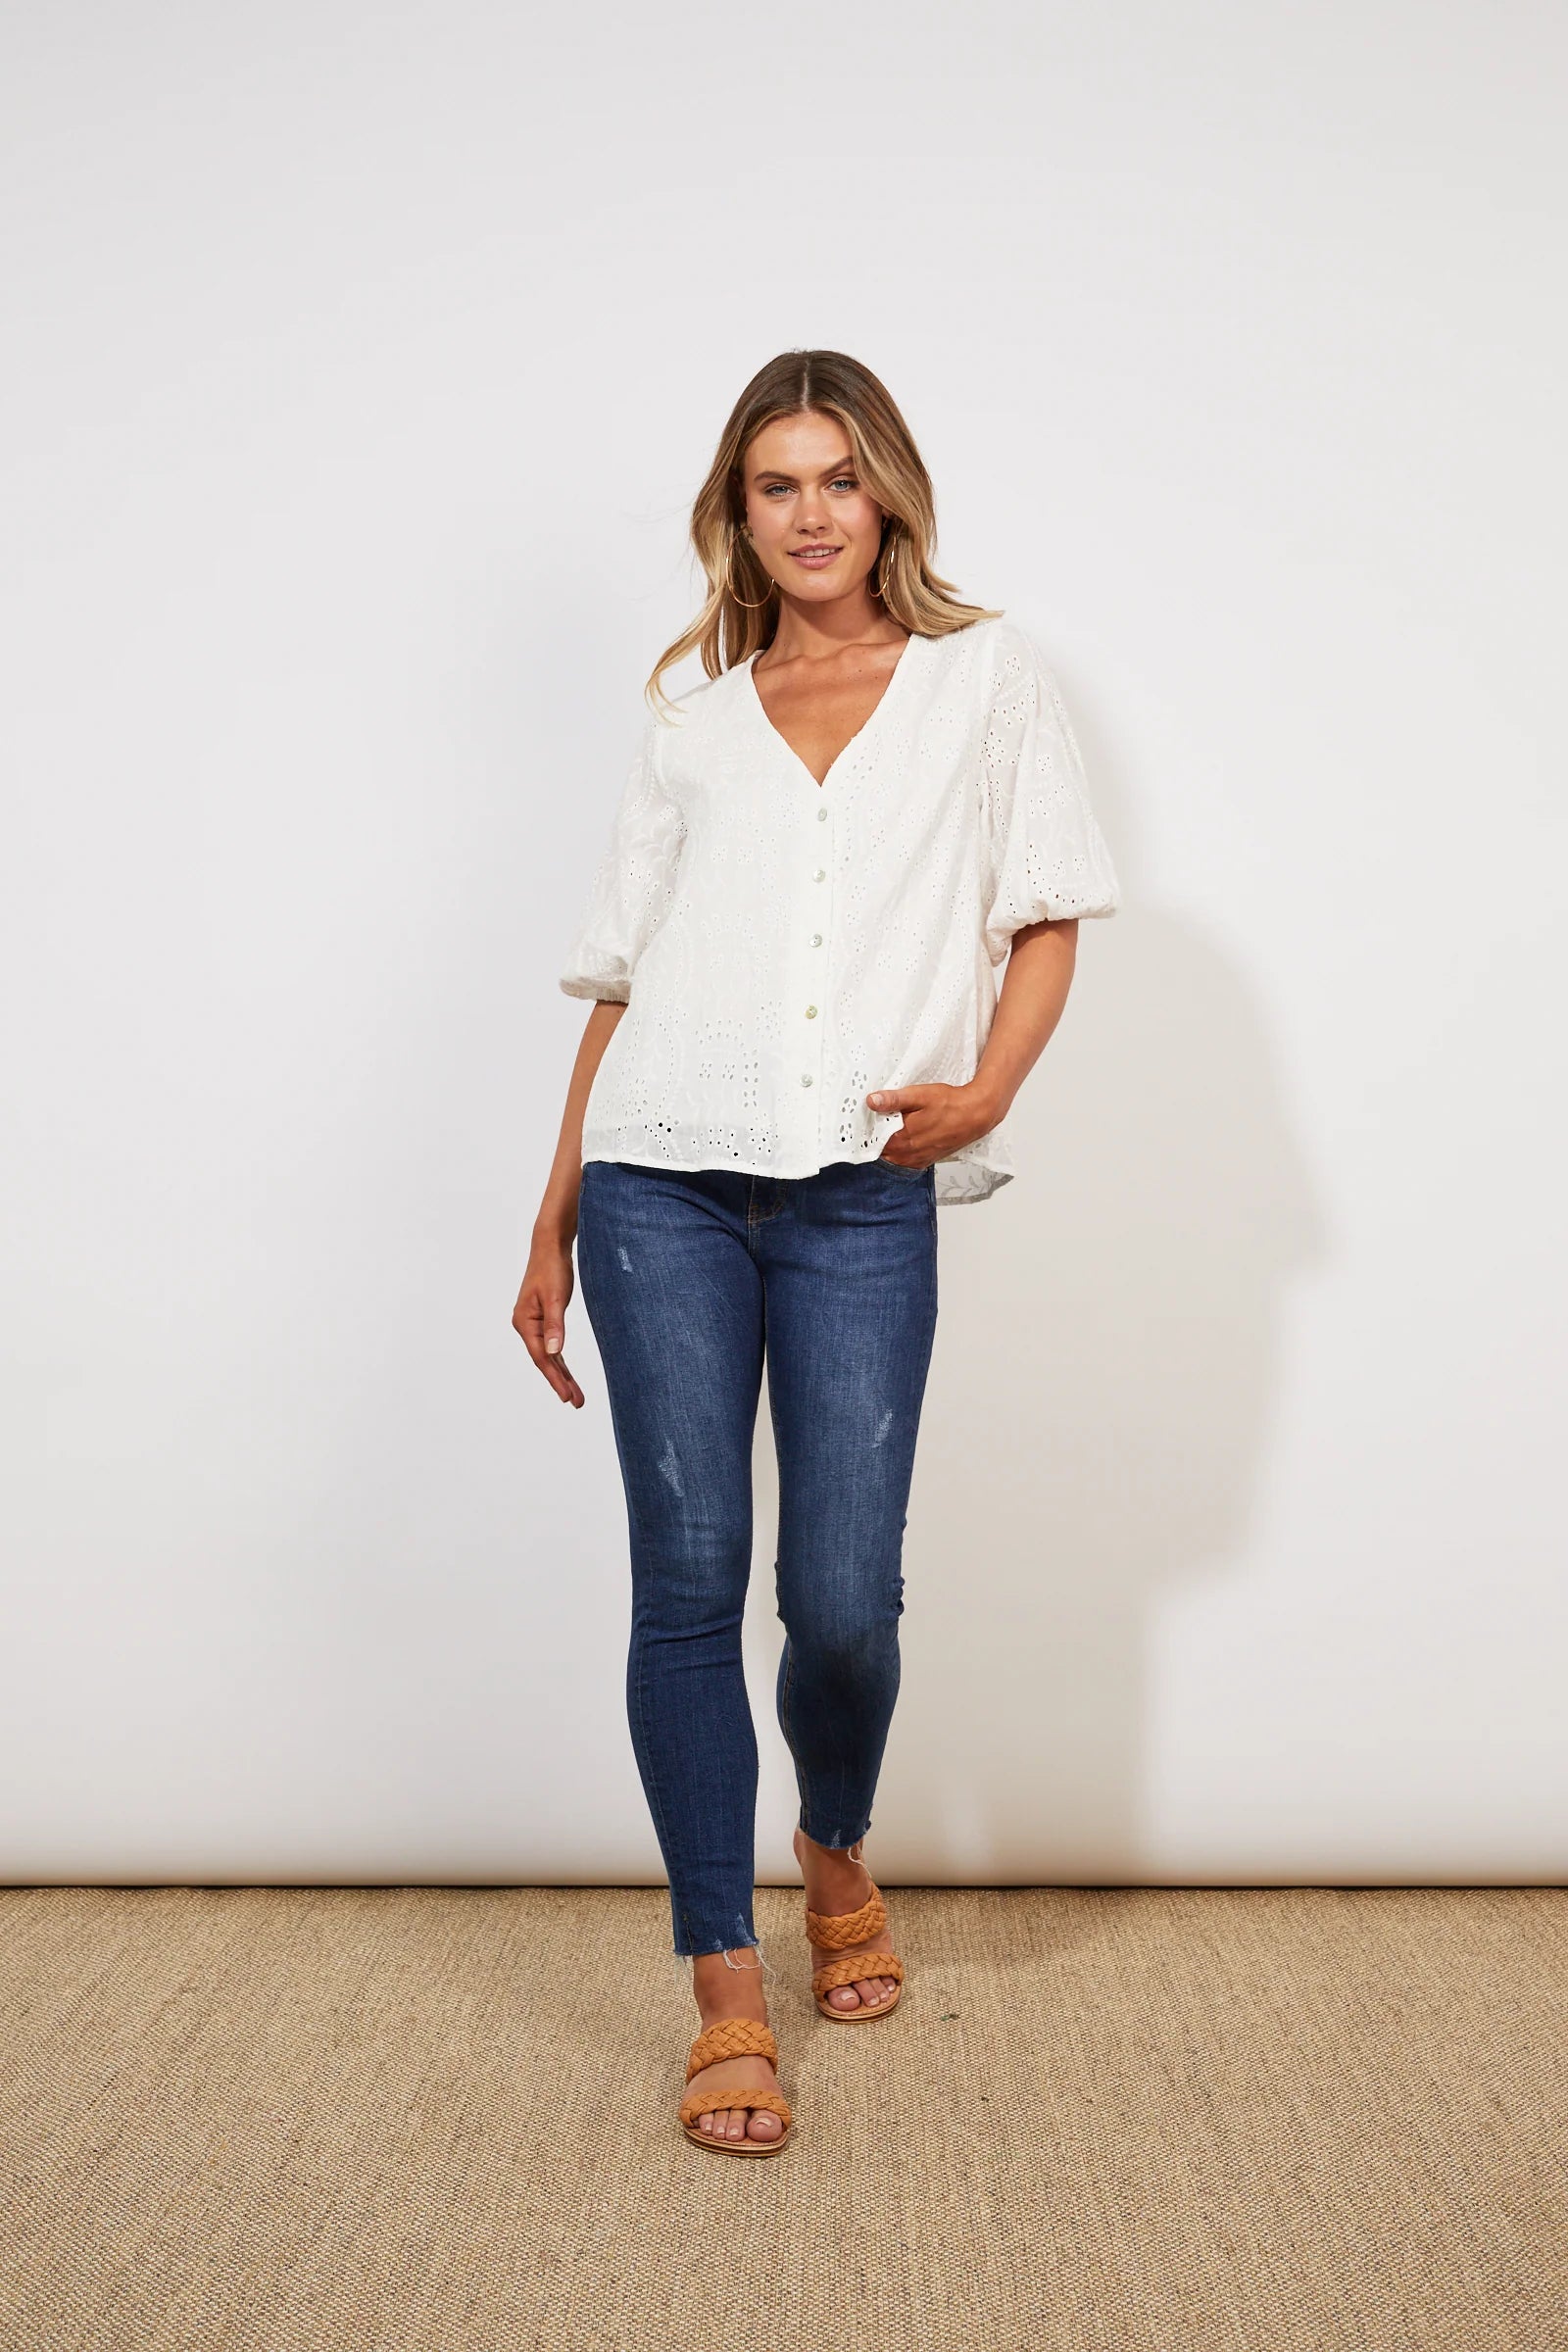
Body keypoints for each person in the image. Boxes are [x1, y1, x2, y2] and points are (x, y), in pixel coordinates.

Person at [513, 349, 1121, 2156]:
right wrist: (553, 1209)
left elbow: (1047, 916)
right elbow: (625, 983)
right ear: (740, 512)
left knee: (845, 1597)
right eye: (776, 485)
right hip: (659, 1187)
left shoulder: (985, 680)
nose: (810, 514)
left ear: (889, 496)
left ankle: (834, 1840)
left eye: (838, 479)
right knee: (689, 1581)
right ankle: (724, 1982)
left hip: (862, 1184)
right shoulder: (694, 722)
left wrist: (983, 1093)